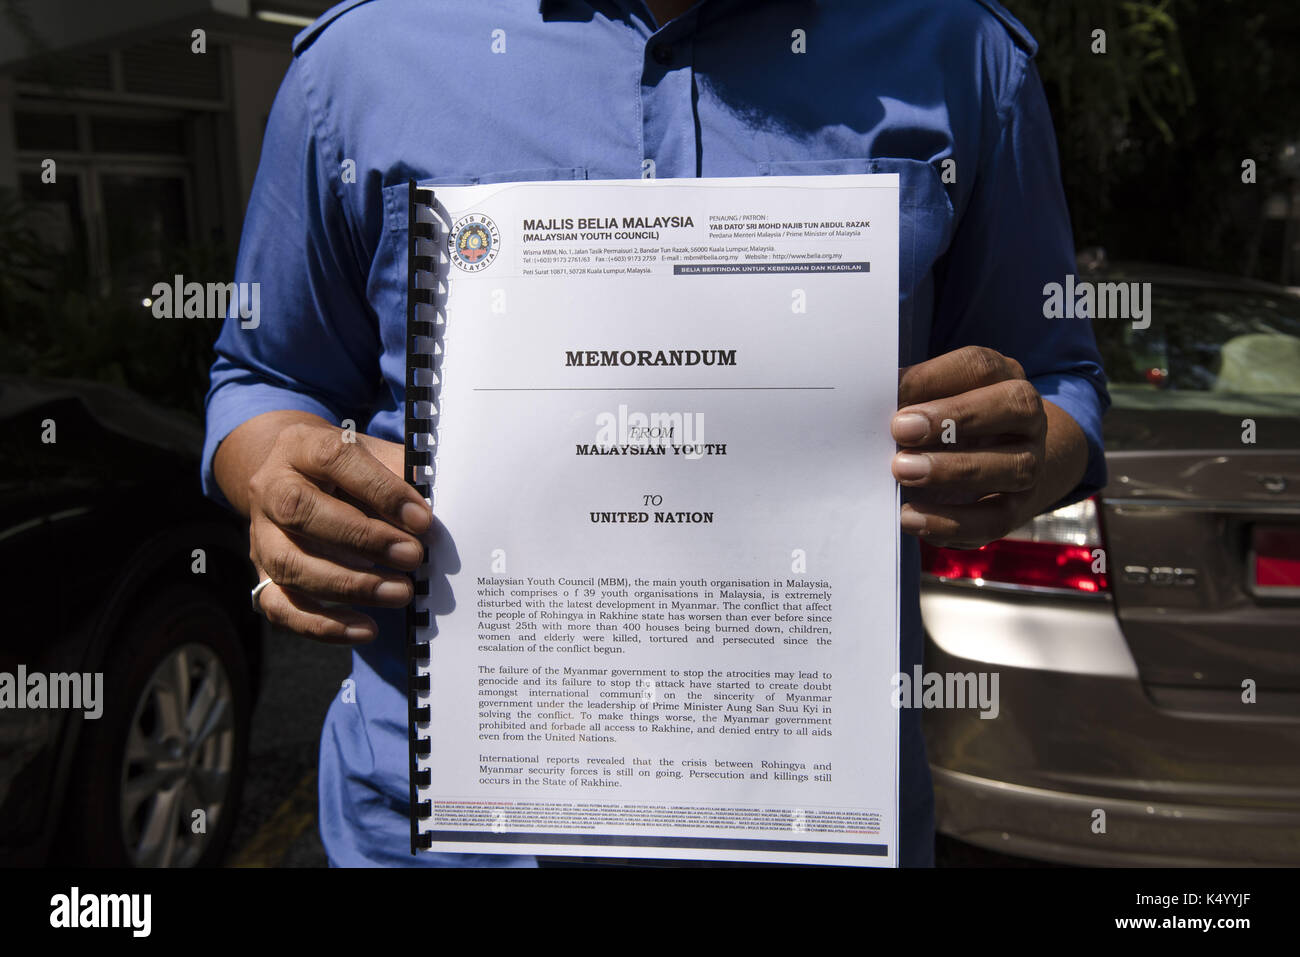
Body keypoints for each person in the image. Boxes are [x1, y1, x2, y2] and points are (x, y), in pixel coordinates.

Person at [203, 0, 1110, 867]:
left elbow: (1058, 378)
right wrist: (282, 479)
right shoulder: (362, 60)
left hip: (807, 824)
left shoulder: (963, 52)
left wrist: (1033, 452)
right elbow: (267, 381)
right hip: (440, 833)